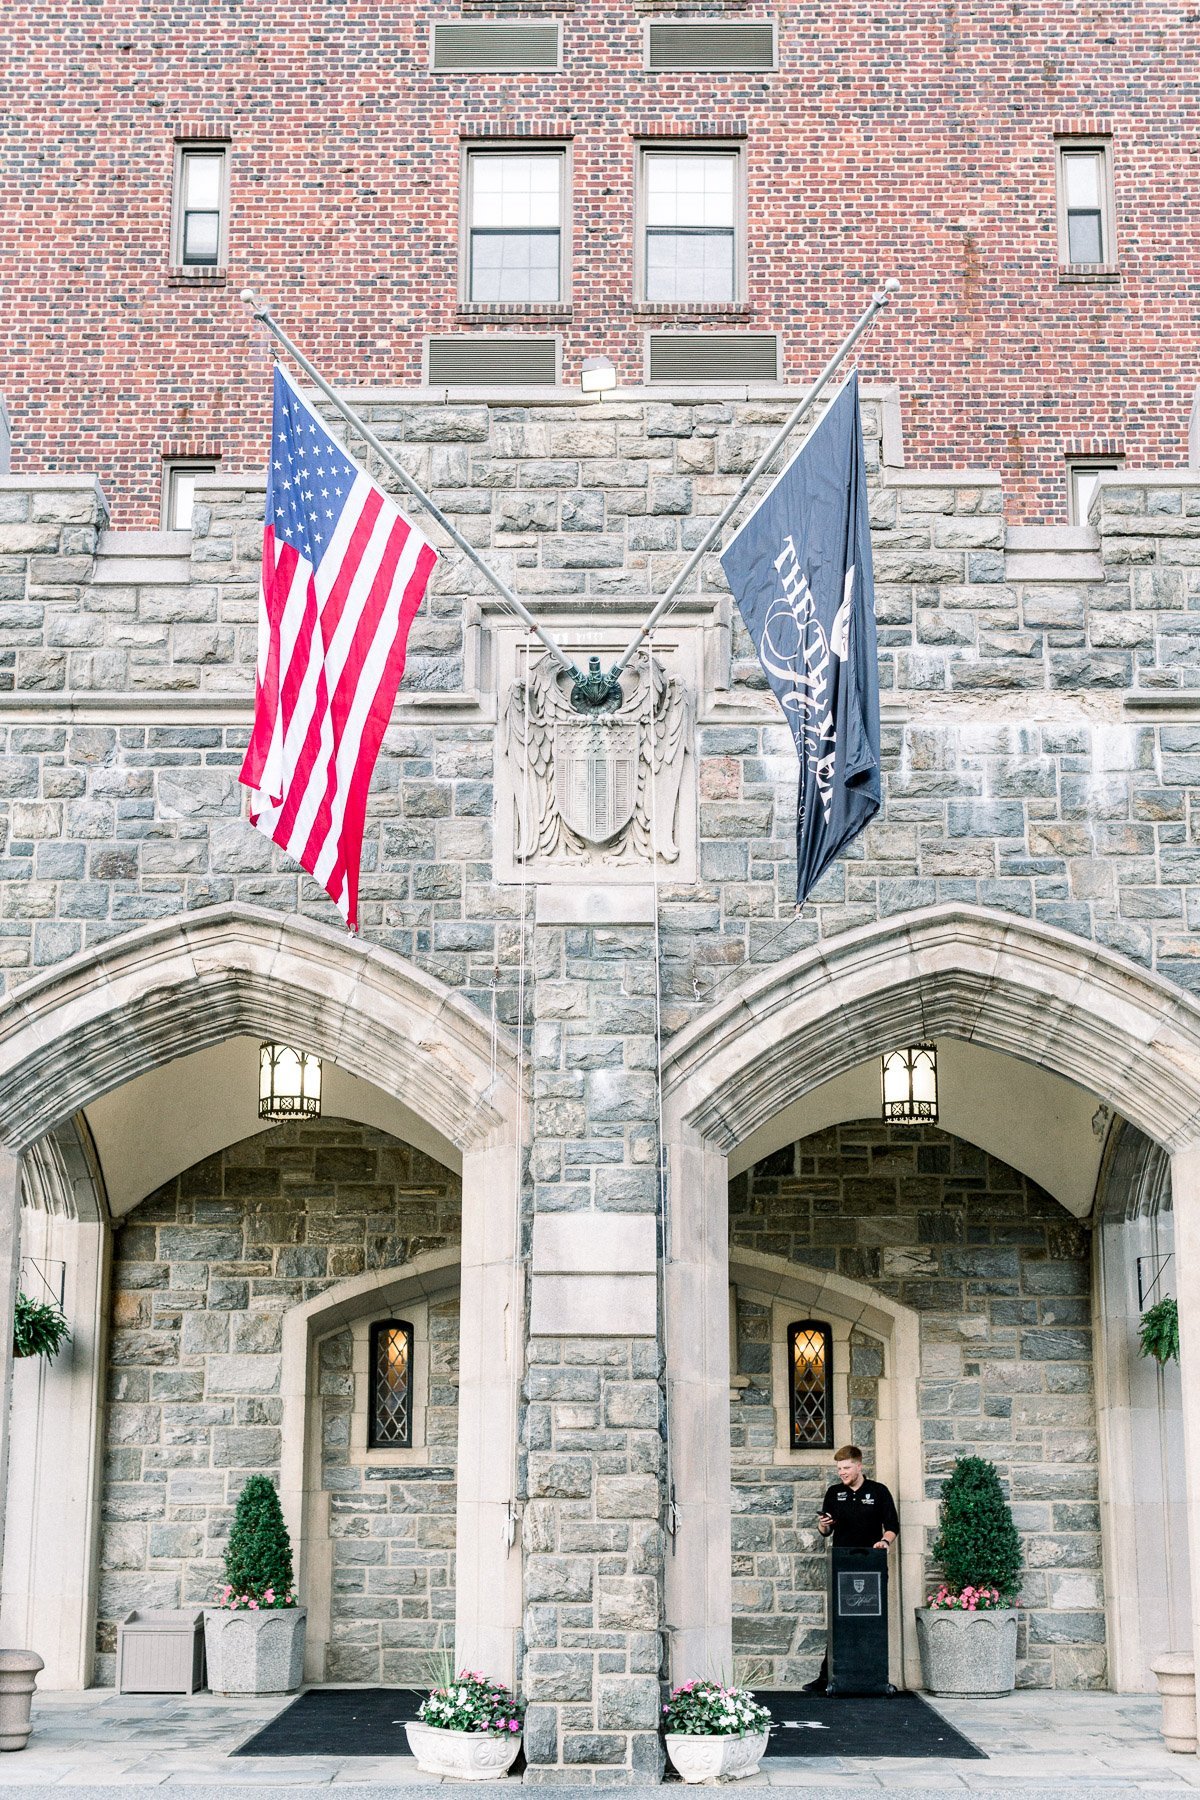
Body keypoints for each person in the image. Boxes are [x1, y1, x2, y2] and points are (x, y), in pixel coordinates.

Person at [801, 1444, 899, 1695]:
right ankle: (828, 1678)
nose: (842, 1473)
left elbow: (892, 1526)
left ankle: (873, 1676)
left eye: (846, 1468)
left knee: (869, 1620)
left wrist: (884, 1542)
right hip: (842, 1565)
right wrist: (824, 1524)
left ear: (859, 1465)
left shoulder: (878, 1491)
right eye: (839, 1469)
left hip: (870, 1565)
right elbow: (826, 1532)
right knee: (840, 1620)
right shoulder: (834, 1493)